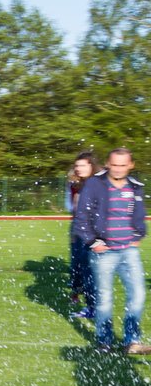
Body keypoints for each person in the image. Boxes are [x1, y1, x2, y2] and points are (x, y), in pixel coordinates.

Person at [74, 148, 149, 354]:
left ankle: (131, 341)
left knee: (138, 295)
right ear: (108, 163)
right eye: (114, 165)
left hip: (129, 252)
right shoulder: (94, 184)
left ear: (130, 165)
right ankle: (104, 341)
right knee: (105, 298)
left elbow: (139, 215)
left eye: (123, 165)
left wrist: (138, 235)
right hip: (104, 252)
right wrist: (92, 242)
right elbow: (81, 218)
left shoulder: (135, 187)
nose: (118, 169)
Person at [66, 152, 98, 319]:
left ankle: (95, 308)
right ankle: (91, 306)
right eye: (76, 166)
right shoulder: (79, 185)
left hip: (94, 234)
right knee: (82, 268)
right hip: (80, 231)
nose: (78, 169)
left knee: (91, 272)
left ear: (92, 166)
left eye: (82, 165)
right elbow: (75, 209)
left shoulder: (98, 184)